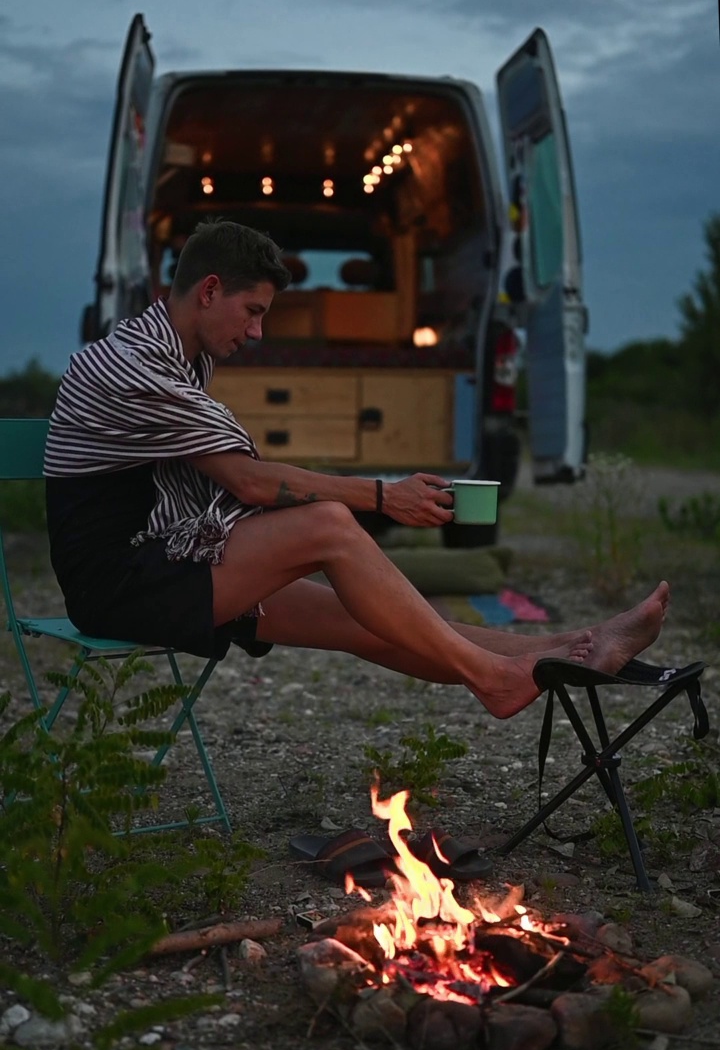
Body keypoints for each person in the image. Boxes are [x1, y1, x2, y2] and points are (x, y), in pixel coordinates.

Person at [45, 220, 669, 721]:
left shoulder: (177, 355)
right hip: (122, 585)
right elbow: (250, 483)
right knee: (330, 527)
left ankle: (571, 649)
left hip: (172, 559)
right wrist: (383, 496)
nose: (259, 332)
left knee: (369, 620)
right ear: (209, 291)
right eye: (253, 311)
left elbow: (228, 482)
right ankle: (494, 678)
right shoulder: (132, 364)